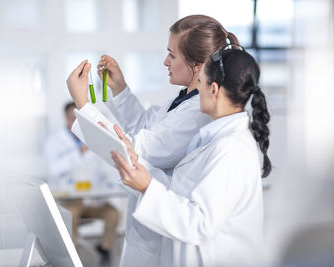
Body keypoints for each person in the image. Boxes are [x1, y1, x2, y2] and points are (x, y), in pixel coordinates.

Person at [67, 15, 240, 266]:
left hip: (164, 234)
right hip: (149, 227)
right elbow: (146, 128)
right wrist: (120, 89)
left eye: (172, 55)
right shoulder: (182, 100)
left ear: (197, 64)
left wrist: (83, 105)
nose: (165, 62)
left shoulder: (196, 113)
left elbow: (136, 151)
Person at [110, 46, 271, 266]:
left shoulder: (231, 149)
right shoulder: (214, 140)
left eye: (200, 83)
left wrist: (148, 186)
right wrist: (140, 169)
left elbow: (200, 224)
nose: (197, 92)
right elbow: (180, 190)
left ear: (213, 89)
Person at [44, 102, 119, 264]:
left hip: (93, 201)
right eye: (72, 118)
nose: (76, 123)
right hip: (70, 201)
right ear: (65, 118)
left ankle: (104, 248)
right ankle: (72, 255)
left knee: (113, 214)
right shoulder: (55, 142)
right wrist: (78, 153)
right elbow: (53, 170)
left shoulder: (92, 140)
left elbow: (102, 172)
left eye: (79, 119)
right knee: (71, 215)